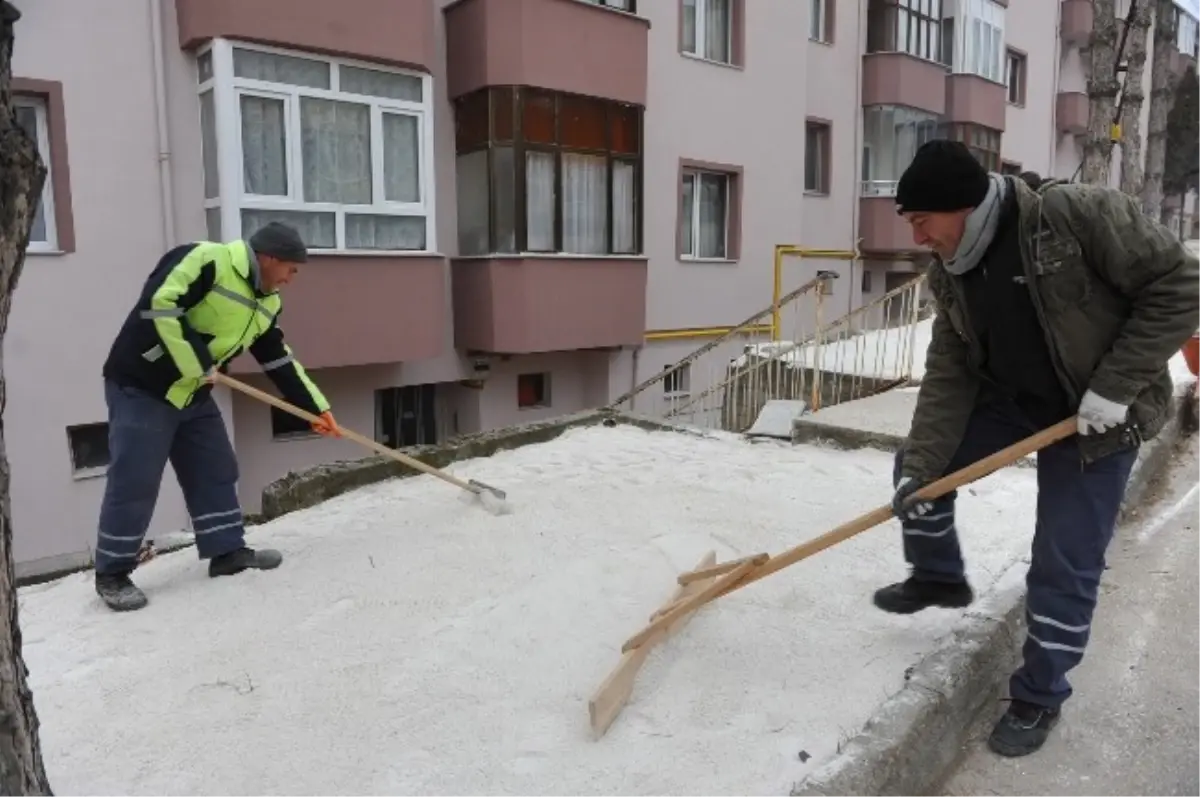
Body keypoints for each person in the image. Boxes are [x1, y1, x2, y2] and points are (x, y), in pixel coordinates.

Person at [876, 140, 1200, 757]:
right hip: (1013, 403)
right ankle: (938, 577)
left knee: (1064, 559)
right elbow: (950, 370)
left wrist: (1115, 386)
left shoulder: (1074, 218)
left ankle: (1039, 695)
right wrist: (922, 466)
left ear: (961, 207)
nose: (918, 236)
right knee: (921, 474)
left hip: (1098, 417)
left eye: (921, 220)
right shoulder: (950, 272)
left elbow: (1181, 286)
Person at [94, 222, 342, 612]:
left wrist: (315, 407)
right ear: (269, 257)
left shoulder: (267, 301)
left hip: (192, 392)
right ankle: (112, 574)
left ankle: (227, 552)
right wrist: (198, 363)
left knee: (215, 466)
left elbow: (276, 358)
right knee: (136, 478)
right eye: (291, 269)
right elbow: (161, 304)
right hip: (142, 386)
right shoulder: (206, 259)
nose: (292, 279)